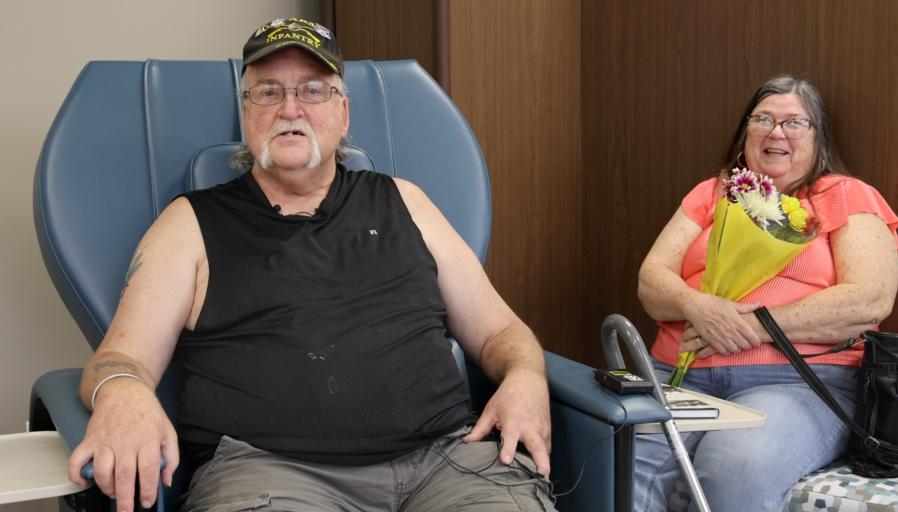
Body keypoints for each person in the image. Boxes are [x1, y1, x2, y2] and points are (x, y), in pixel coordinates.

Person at [67, 17, 556, 512]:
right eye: (268, 92)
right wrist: (121, 395)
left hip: (446, 462)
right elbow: (118, 360)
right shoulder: (191, 223)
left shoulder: (405, 203)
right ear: (246, 113)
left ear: (343, 113)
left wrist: (525, 378)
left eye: (313, 90)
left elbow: (500, 333)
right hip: (274, 476)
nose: (289, 108)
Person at [633, 75, 898, 511]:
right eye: (763, 119)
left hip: (797, 383)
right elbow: (651, 279)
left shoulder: (845, 194)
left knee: (735, 464)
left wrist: (754, 327)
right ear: (746, 135)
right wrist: (695, 304)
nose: (776, 132)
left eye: (795, 123)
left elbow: (869, 299)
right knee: (620, 461)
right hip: (679, 374)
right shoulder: (714, 191)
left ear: (819, 138)